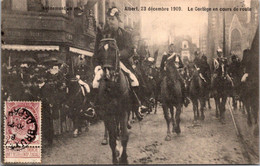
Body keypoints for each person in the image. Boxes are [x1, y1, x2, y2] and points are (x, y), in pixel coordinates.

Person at [92, 7, 146, 110]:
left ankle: (139, 104)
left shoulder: (125, 34)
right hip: (105, 64)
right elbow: (96, 51)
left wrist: (118, 55)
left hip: (122, 63)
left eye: (112, 19)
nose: (109, 22)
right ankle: (92, 107)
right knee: (94, 81)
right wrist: (97, 64)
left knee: (136, 78)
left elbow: (130, 49)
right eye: (108, 19)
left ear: (118, 20)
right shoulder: (102, 34)